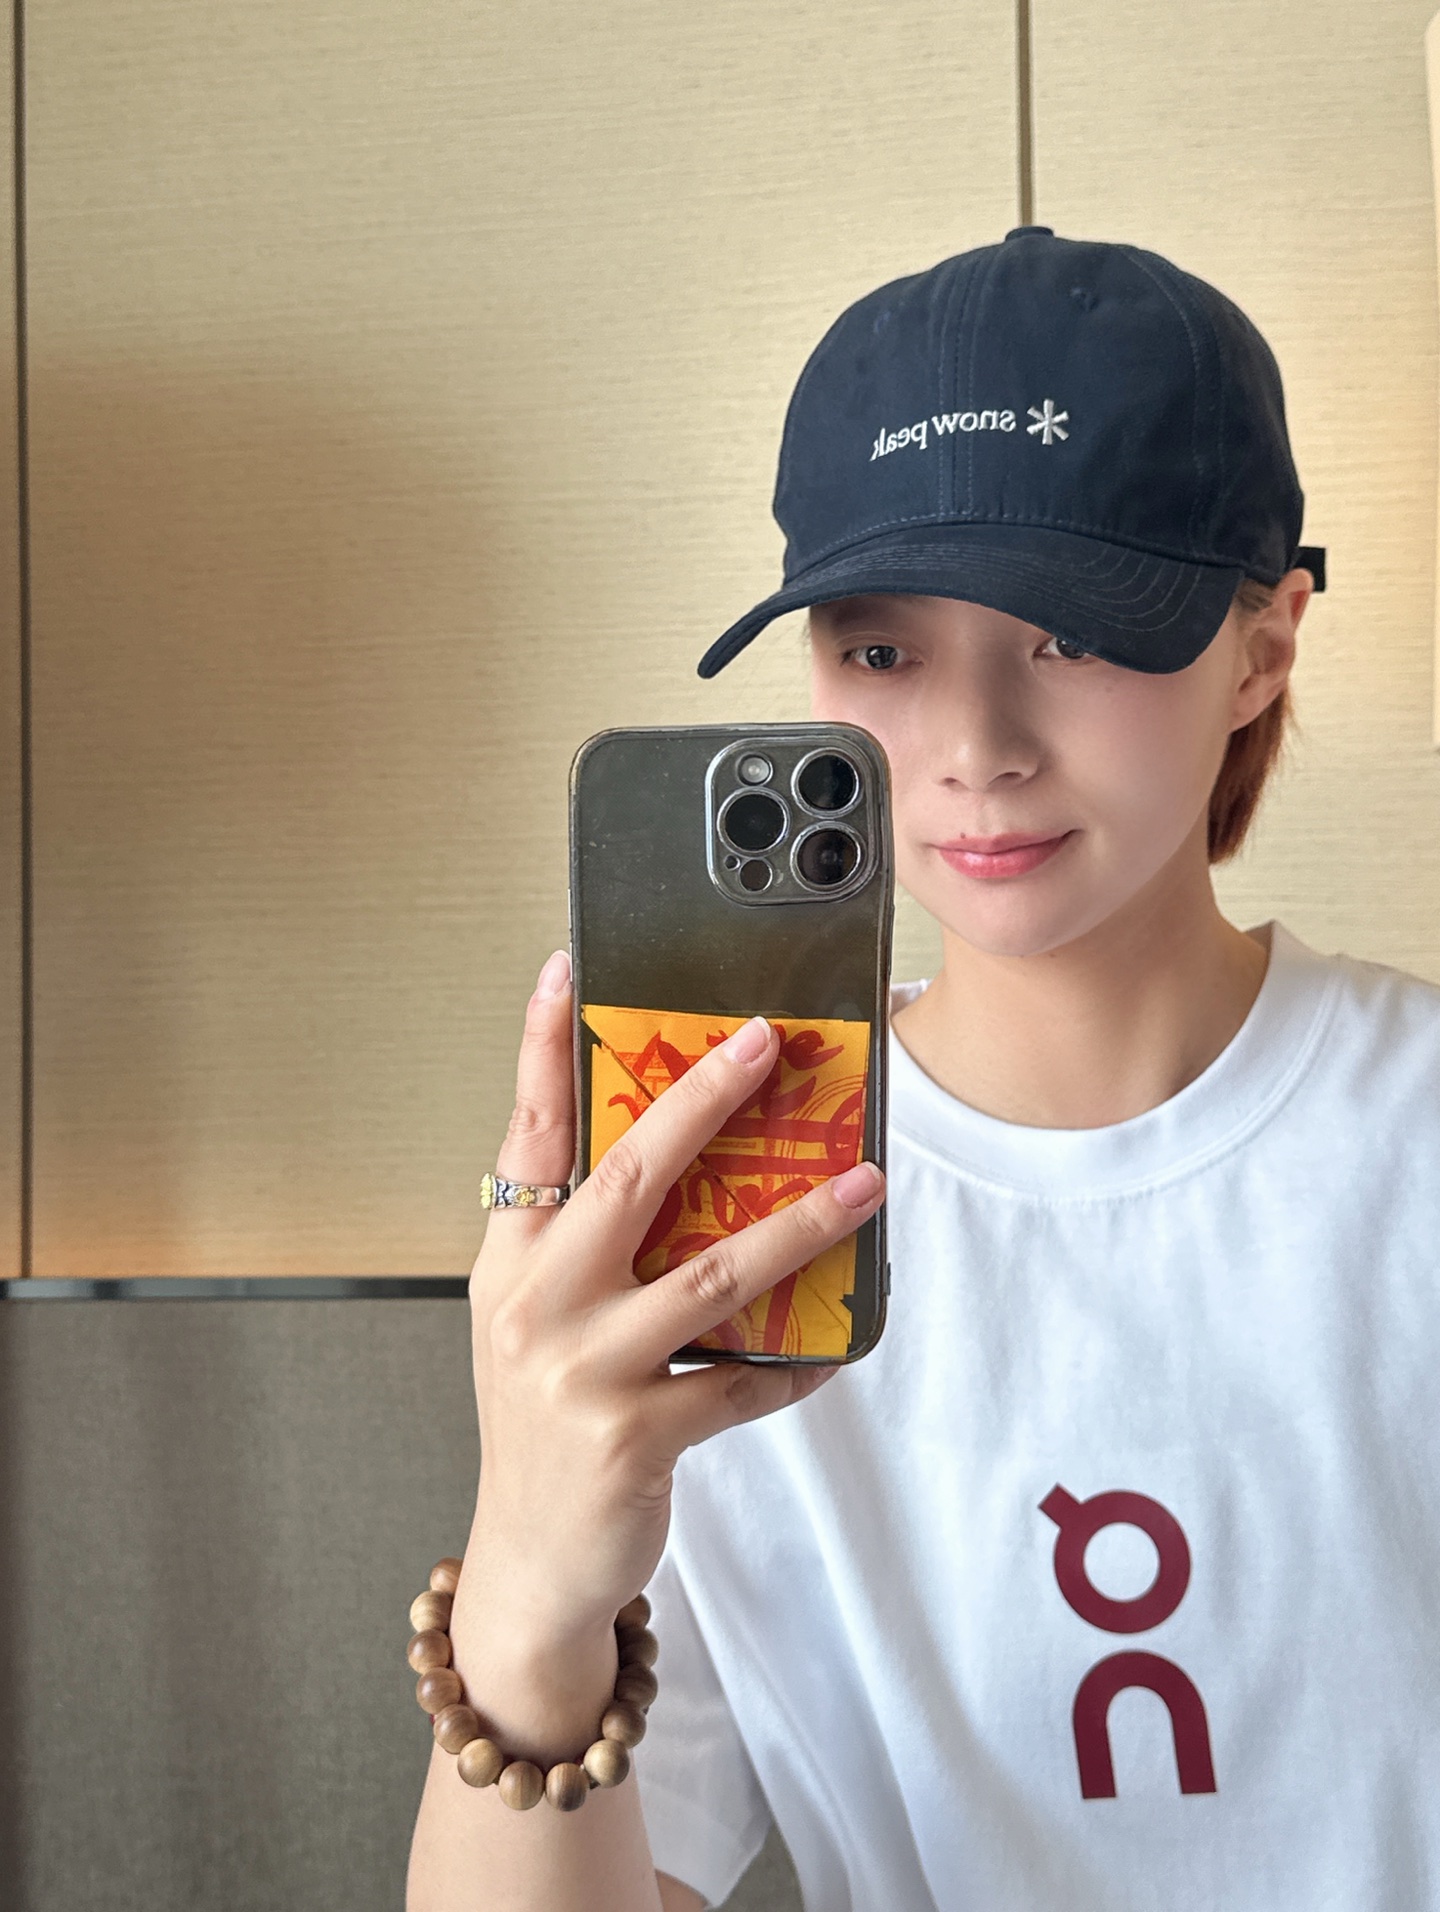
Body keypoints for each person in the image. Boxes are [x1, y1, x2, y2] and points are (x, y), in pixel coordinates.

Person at [407, 229, 1440, 1910]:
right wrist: (528, 1592)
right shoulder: (728, 1227)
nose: (973, 751)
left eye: (1071, 635)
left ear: (1266, 643)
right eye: (881, 652)